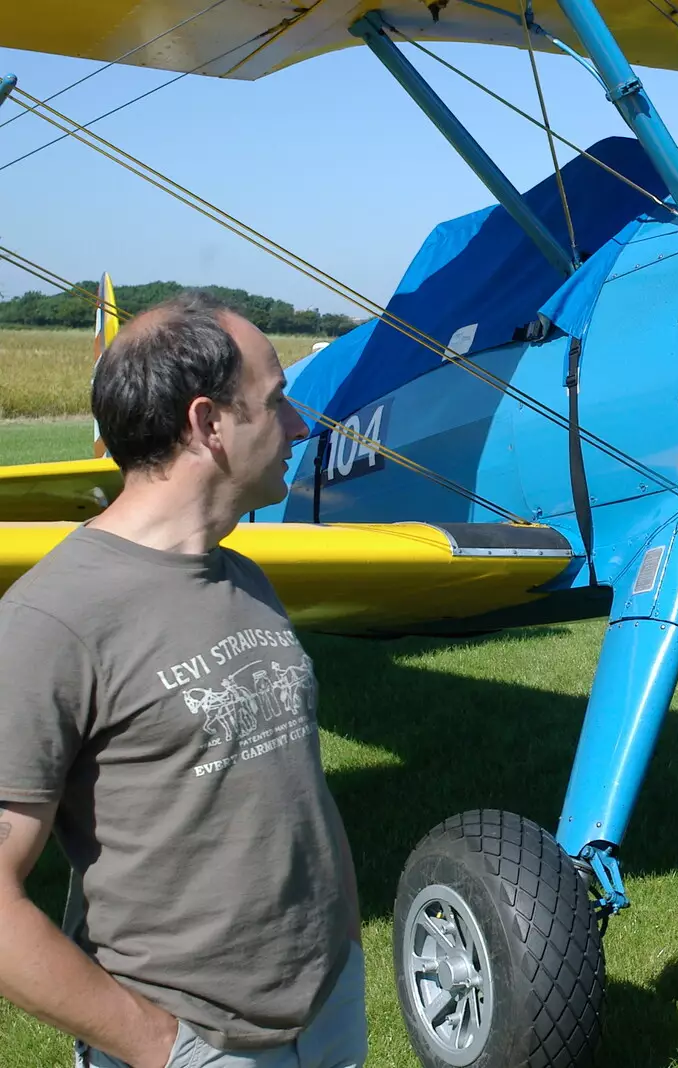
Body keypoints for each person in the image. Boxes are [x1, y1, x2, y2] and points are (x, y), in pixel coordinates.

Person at [0, 292, 366, 1068]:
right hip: (194, 1041)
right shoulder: (50, 619)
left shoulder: (243, 576)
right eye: (276, 401)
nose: (299, 426)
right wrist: (162, 1048)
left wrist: (343, 939)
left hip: (328, 1004)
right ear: (207, 425)